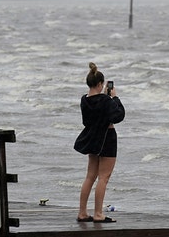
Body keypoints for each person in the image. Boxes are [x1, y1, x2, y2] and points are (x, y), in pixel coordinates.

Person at [74, 62, 125, 223]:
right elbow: (119, 116)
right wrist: (115, 97)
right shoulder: (105, 100)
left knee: (90, 176)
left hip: (92, 138)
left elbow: (86, 121)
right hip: (107, 138)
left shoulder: (84, 100)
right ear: (100, 84)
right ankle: (98, 214)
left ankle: (82, 212)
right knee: (104, 177)